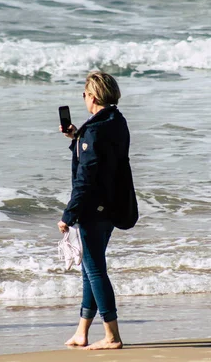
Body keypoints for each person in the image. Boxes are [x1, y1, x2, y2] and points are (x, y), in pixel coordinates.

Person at [57, 71, 130, 350]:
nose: (84, 99)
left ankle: (112, 336)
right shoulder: (116, 122)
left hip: (92, 208)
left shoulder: (94, 130)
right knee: (89, 269)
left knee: (95, 270)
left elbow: (86, 178)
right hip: (111, 205)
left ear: (94, 96)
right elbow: (101, 158)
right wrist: (77, 138)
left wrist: (68, 214)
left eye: (85, 94)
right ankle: (81, 332)